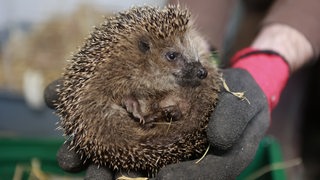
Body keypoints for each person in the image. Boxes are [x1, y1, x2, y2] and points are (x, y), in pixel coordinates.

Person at [44, 0, 320, 179]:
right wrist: (202, 40)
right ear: (142, 51)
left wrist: (268, 62)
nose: (196, 67)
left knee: (257, 128)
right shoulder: (121, 70)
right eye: (173, 57)